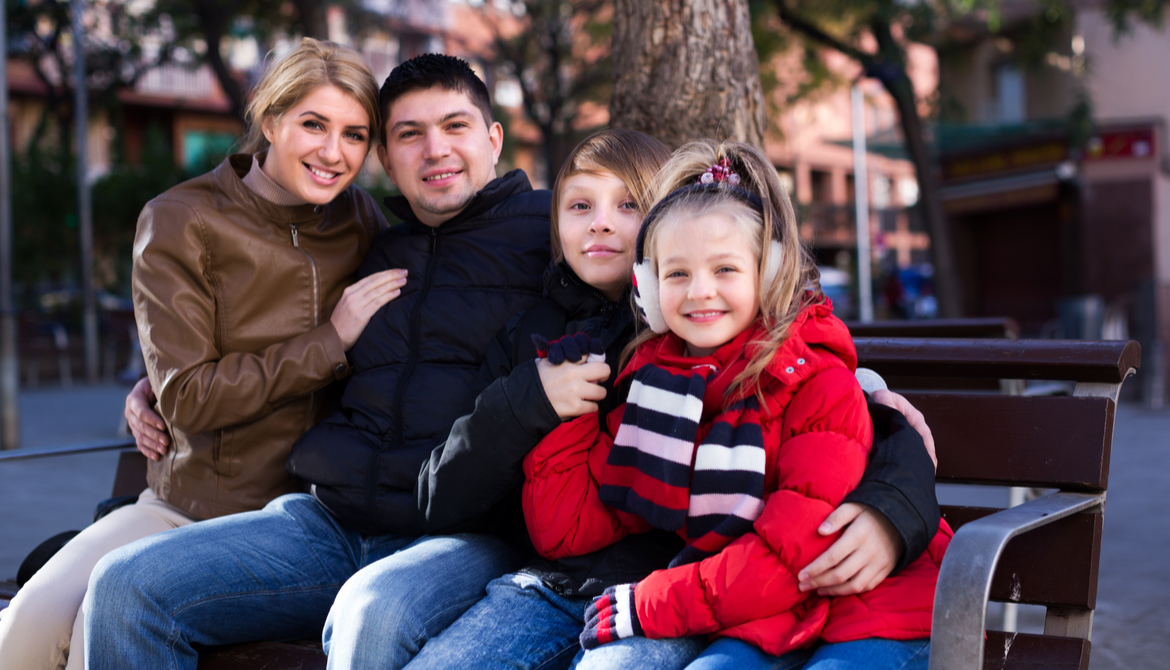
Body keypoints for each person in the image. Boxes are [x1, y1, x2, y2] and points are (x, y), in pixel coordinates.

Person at [325, 131, 941, 670]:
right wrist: (539, 403)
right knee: (376, 615)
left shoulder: (738, 351)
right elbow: (479, 497)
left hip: (695, 593)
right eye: (581, 206)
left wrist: (893, 495)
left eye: (626, 205)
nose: (601, 223)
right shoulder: (612, 351)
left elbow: (848, 423)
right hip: (564, 575)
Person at [84, 53, 552, 670]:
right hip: (328, 522)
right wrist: (156, 382)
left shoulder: (554, 236)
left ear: (494, 140)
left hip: (462, 534)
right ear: (387, 158)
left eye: (455, 126)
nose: (434, 150)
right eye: (409, 134)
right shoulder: (374, 238)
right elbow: (249, 339)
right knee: (124, 588)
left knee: (372, 613)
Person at [0, 38, 400, 670]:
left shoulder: (363, 219)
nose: (333, 153)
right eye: (314, 124)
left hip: (304, 525)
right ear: (270, 120)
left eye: (355, 134)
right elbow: (187, 396)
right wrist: (330, 340)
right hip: (189, 509)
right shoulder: (181, 218)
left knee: (93, 636)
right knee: (23, 625)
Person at [517, 140, 952, 670]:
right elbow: (570, 527)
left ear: (766, 276)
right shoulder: (660, 386)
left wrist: (652, 603)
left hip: (875, 612)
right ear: (649, 291)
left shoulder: (818, 382)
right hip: (766, 615)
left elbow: (794, 554)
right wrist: (567, 415)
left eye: (724, 269)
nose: (700, 292)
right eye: (677, 274)